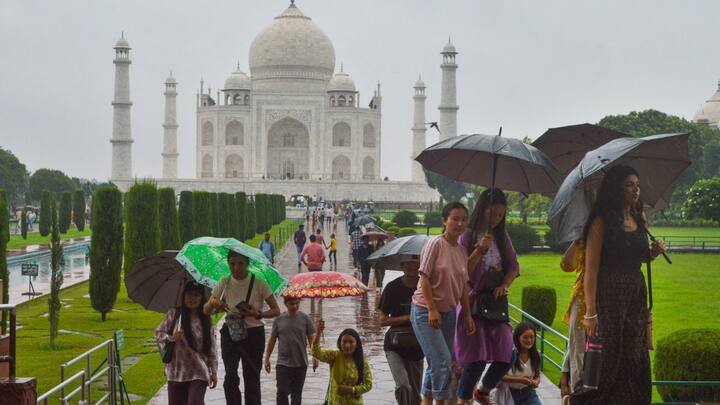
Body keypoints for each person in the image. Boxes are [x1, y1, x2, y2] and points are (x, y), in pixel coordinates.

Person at [581, 164, 665, 404]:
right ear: (616, 189)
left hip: (635, 294)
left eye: (637, 185)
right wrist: (590, 312)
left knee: (633, 356)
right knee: (608, 358)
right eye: (629, 185)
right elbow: (591, 269)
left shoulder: (640, 218)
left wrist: (653, 253)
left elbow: (638, 257)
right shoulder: (601, 222)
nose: (635, 190)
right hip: (608, 295)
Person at [455, 189, 519, 405]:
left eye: (500, 215)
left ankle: (482, 390)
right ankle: (464, 399)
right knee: (476, 358)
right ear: (482, 210)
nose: (496, 219)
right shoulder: (468, 235)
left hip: (494, 303)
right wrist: (479, 250)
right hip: (471, 302)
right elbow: (461, 272)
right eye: (492, 214)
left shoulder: (502, 238)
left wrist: (504, 284)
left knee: (506, 354)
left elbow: (513, 266)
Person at [410, 202, 476, 405]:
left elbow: (463, 286)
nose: (459, 223)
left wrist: (467, 315)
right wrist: (431, 309)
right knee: (442, 362)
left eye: (463, 219)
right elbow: (424, 277)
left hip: (448, 314)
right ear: (444, 221)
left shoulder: (462, 251)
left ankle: (426, 401)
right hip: (425, 311)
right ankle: (441, 402)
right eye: (455, 218)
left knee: (436, 363)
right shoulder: (435, 244)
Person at [204, 251, 281, 405]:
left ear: (247, 264)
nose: (236, 267)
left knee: (252, 376)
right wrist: (213, 303)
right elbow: (206, 310)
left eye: (240, 263)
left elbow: (276, 310)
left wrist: (258, 314)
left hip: (253, 334)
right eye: (232, 263)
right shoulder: (224, 281)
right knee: (230, 376)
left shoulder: (259, 283)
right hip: (230, 333)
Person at [156, 282, 218, 405]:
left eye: (196, 295)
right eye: (189, 294)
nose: (192, 298)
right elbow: (158, 334)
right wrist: (171, 337)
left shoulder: (206, 319)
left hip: (198, 371)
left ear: (202, 298)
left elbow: (212, 348)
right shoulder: (174, 314)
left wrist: (213, 372)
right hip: (176, 372)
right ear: (183, 296)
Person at [378, 257, 424, 405]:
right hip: (394, 344)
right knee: (403, 386)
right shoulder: (392, 288)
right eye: (408, 262)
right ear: (401, 265)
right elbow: (382, 320)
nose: (412, 266)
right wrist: (407, 318)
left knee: (416, 396)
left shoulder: (425, 286)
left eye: (415, 262)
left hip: (418, 345)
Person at [264, 296, 317, 405]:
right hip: (283, 363)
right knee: (282, 392)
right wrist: (267, 358)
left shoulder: (305, 318)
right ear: (285, 304)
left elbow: (312, 339)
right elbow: (272, 340)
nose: (295, 306)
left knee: (296, 395)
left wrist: (315, 357)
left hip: (301, 362)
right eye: (292, 304)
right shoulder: (278, 320)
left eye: (297, 303)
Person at [312, 319, 373, 404]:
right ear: (340, 343)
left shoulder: (362, 362)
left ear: (357, 344)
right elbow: (316, 352)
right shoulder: (334, 356)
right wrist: (318, 332)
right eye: (344, 342)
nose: (347, 345)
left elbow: (368, 385)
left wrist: (352, 390)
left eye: (351, 342)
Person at [559, 239, 586, 397]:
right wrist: (577, 241)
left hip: (611, 299)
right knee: (578, 349)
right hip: (582, 299)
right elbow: (566, 265)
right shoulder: (583, 238)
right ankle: (578, 395)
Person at [501, 322, 541, 405]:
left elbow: (537, 376)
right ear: (518, 338)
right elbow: (499, 376)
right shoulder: (509, 354)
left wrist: (535, 382)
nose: (529, 340)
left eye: (532, 337)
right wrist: (520, 379)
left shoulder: (535, 355)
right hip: (509, 393)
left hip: (529, 393)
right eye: (525, 337)